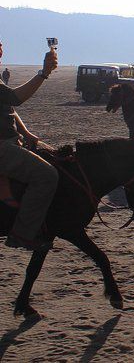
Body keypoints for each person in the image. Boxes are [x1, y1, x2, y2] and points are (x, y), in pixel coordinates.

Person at [0, 40, 59, 251]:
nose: (1, 45)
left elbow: (8, 108)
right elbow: (15, 99)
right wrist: (43, 73)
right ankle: (22, 234)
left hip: (9, 139)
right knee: (47, 176)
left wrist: (25, 133)